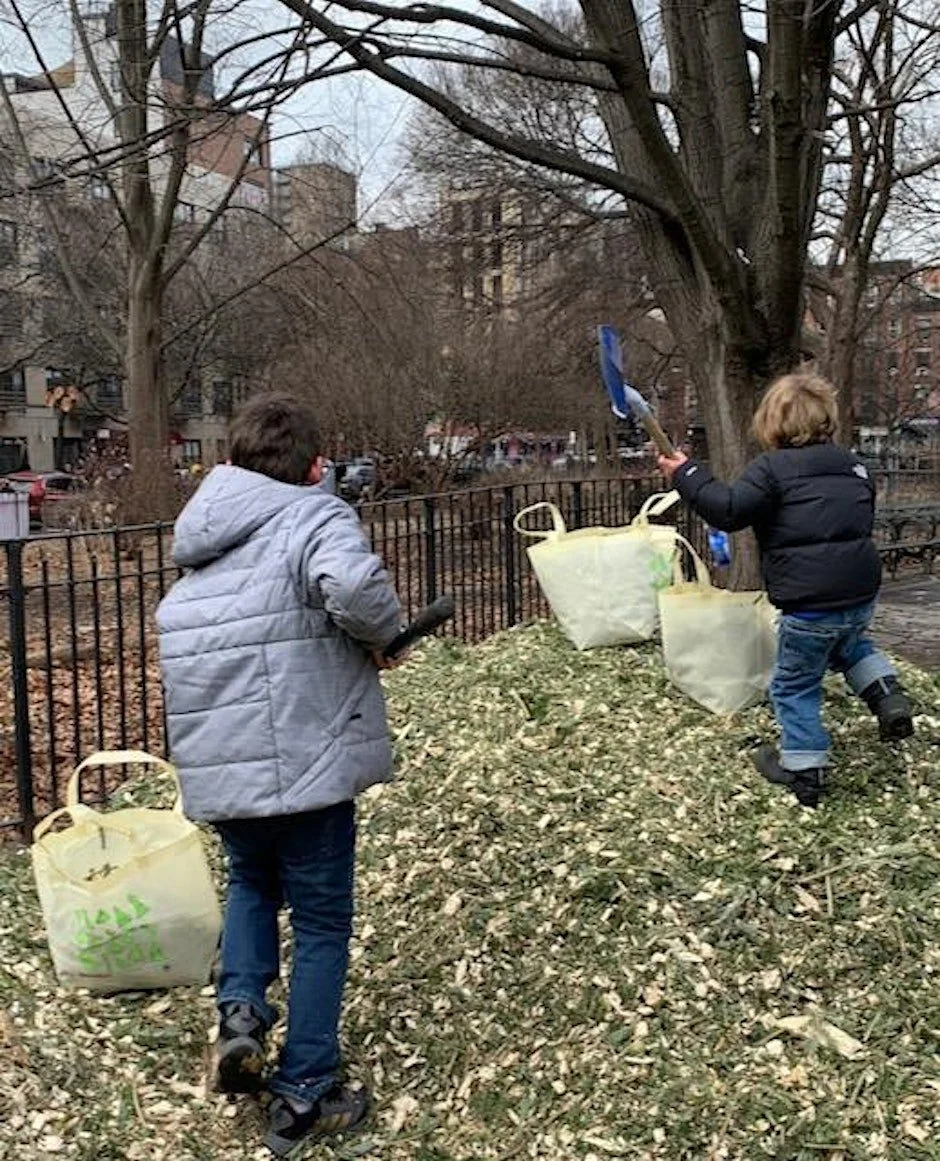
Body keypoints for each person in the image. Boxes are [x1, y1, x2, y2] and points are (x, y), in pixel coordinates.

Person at [156, 393, 403, 1156]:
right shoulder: (315, 513)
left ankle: (240, 1012)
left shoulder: (202, 534)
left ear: (231, 460)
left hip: (225, 763)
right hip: (306, 758)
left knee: (252, 884)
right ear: (316, 465)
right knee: (322, 920)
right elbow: (353, 591)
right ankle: (305, 1089)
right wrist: (384, 634)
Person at [658, 371, 913, 809]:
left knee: (794, 685)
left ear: (772, 422)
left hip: (809, 602)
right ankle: (888, 696)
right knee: (850, 645)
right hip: (859, 592)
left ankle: (805, 770)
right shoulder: (854, 467)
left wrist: (687, 473)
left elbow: (729, 510)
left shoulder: (772, 469)